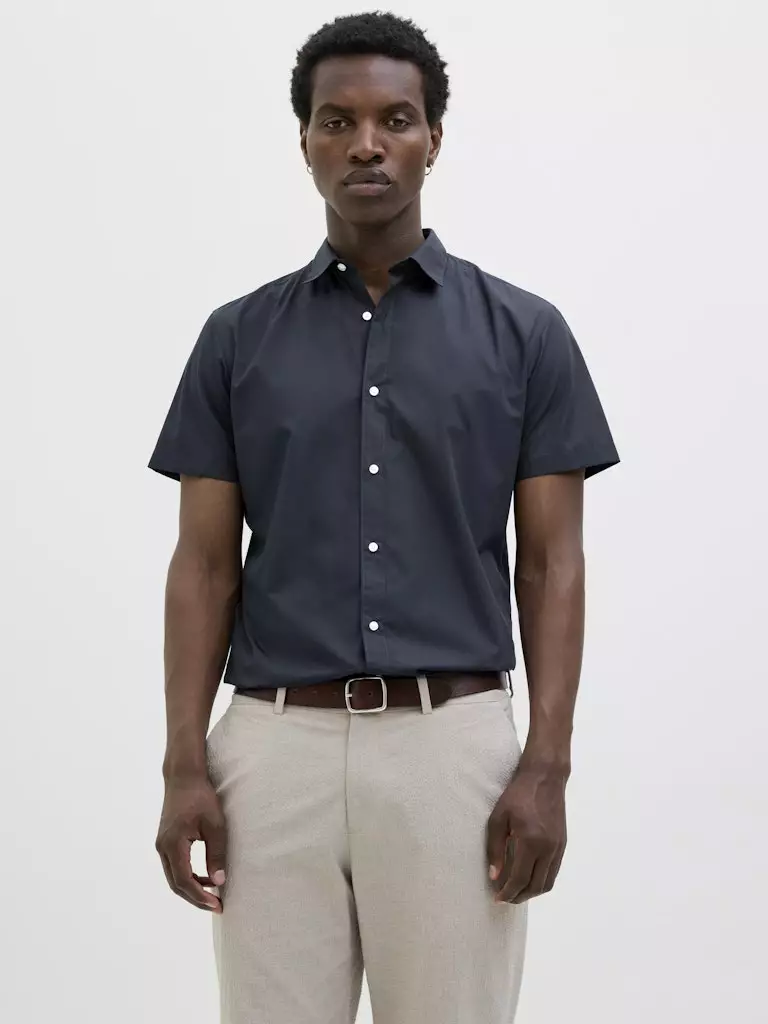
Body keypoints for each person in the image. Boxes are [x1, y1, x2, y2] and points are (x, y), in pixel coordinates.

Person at [149, 11, 620, 1024]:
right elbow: (203, 567)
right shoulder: (235, 341)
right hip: (273, 750)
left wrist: (547, 763)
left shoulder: (525, 335)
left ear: (432, 138)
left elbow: (552, 564)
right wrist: (185, 761)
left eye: (395, 120)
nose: (367, 143)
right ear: (306, 141)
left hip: (452, 749)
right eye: (339, 121)